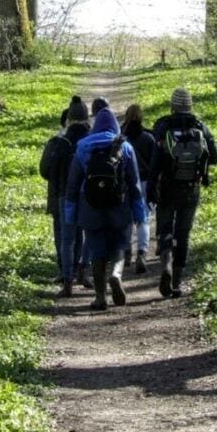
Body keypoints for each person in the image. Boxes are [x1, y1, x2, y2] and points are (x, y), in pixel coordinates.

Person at [64, 107, 147, 311]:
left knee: (97, 251)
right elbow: (134, 183)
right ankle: (116, 275)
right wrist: (139, 214)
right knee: (119, 245)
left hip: (90, 207)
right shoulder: (125, 147)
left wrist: (71, 214)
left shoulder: (83, 147)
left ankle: (100, 298)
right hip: (119, 205)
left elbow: (73, 184)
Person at [150, 87, 217, 298]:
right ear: (190, 105)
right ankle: (177, 282)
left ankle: (166, 267)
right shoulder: (200, 126)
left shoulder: (162, 125)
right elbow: (216, 157)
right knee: (183, 234)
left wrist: (150, 187)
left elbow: (154, 160)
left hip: (167, 187)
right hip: (192, 187)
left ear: (173, 106)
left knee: (165, 229)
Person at [40, 96, 90, 296]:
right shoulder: (92, 139)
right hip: (87, 194)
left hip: (62, 193)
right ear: (87, 119)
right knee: (84, 234)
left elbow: (44, 170)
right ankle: (82, 270)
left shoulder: (59, 141)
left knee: (64, 236)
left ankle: (65, 274)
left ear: (68, 119)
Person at [121, 103, 155, 274]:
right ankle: (141, 253)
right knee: (143, 219)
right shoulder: (148, 138)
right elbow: (154, 164)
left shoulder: (120, 137)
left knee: (126, 219)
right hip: (144, 182)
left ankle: (126, 253)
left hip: (125, 183)